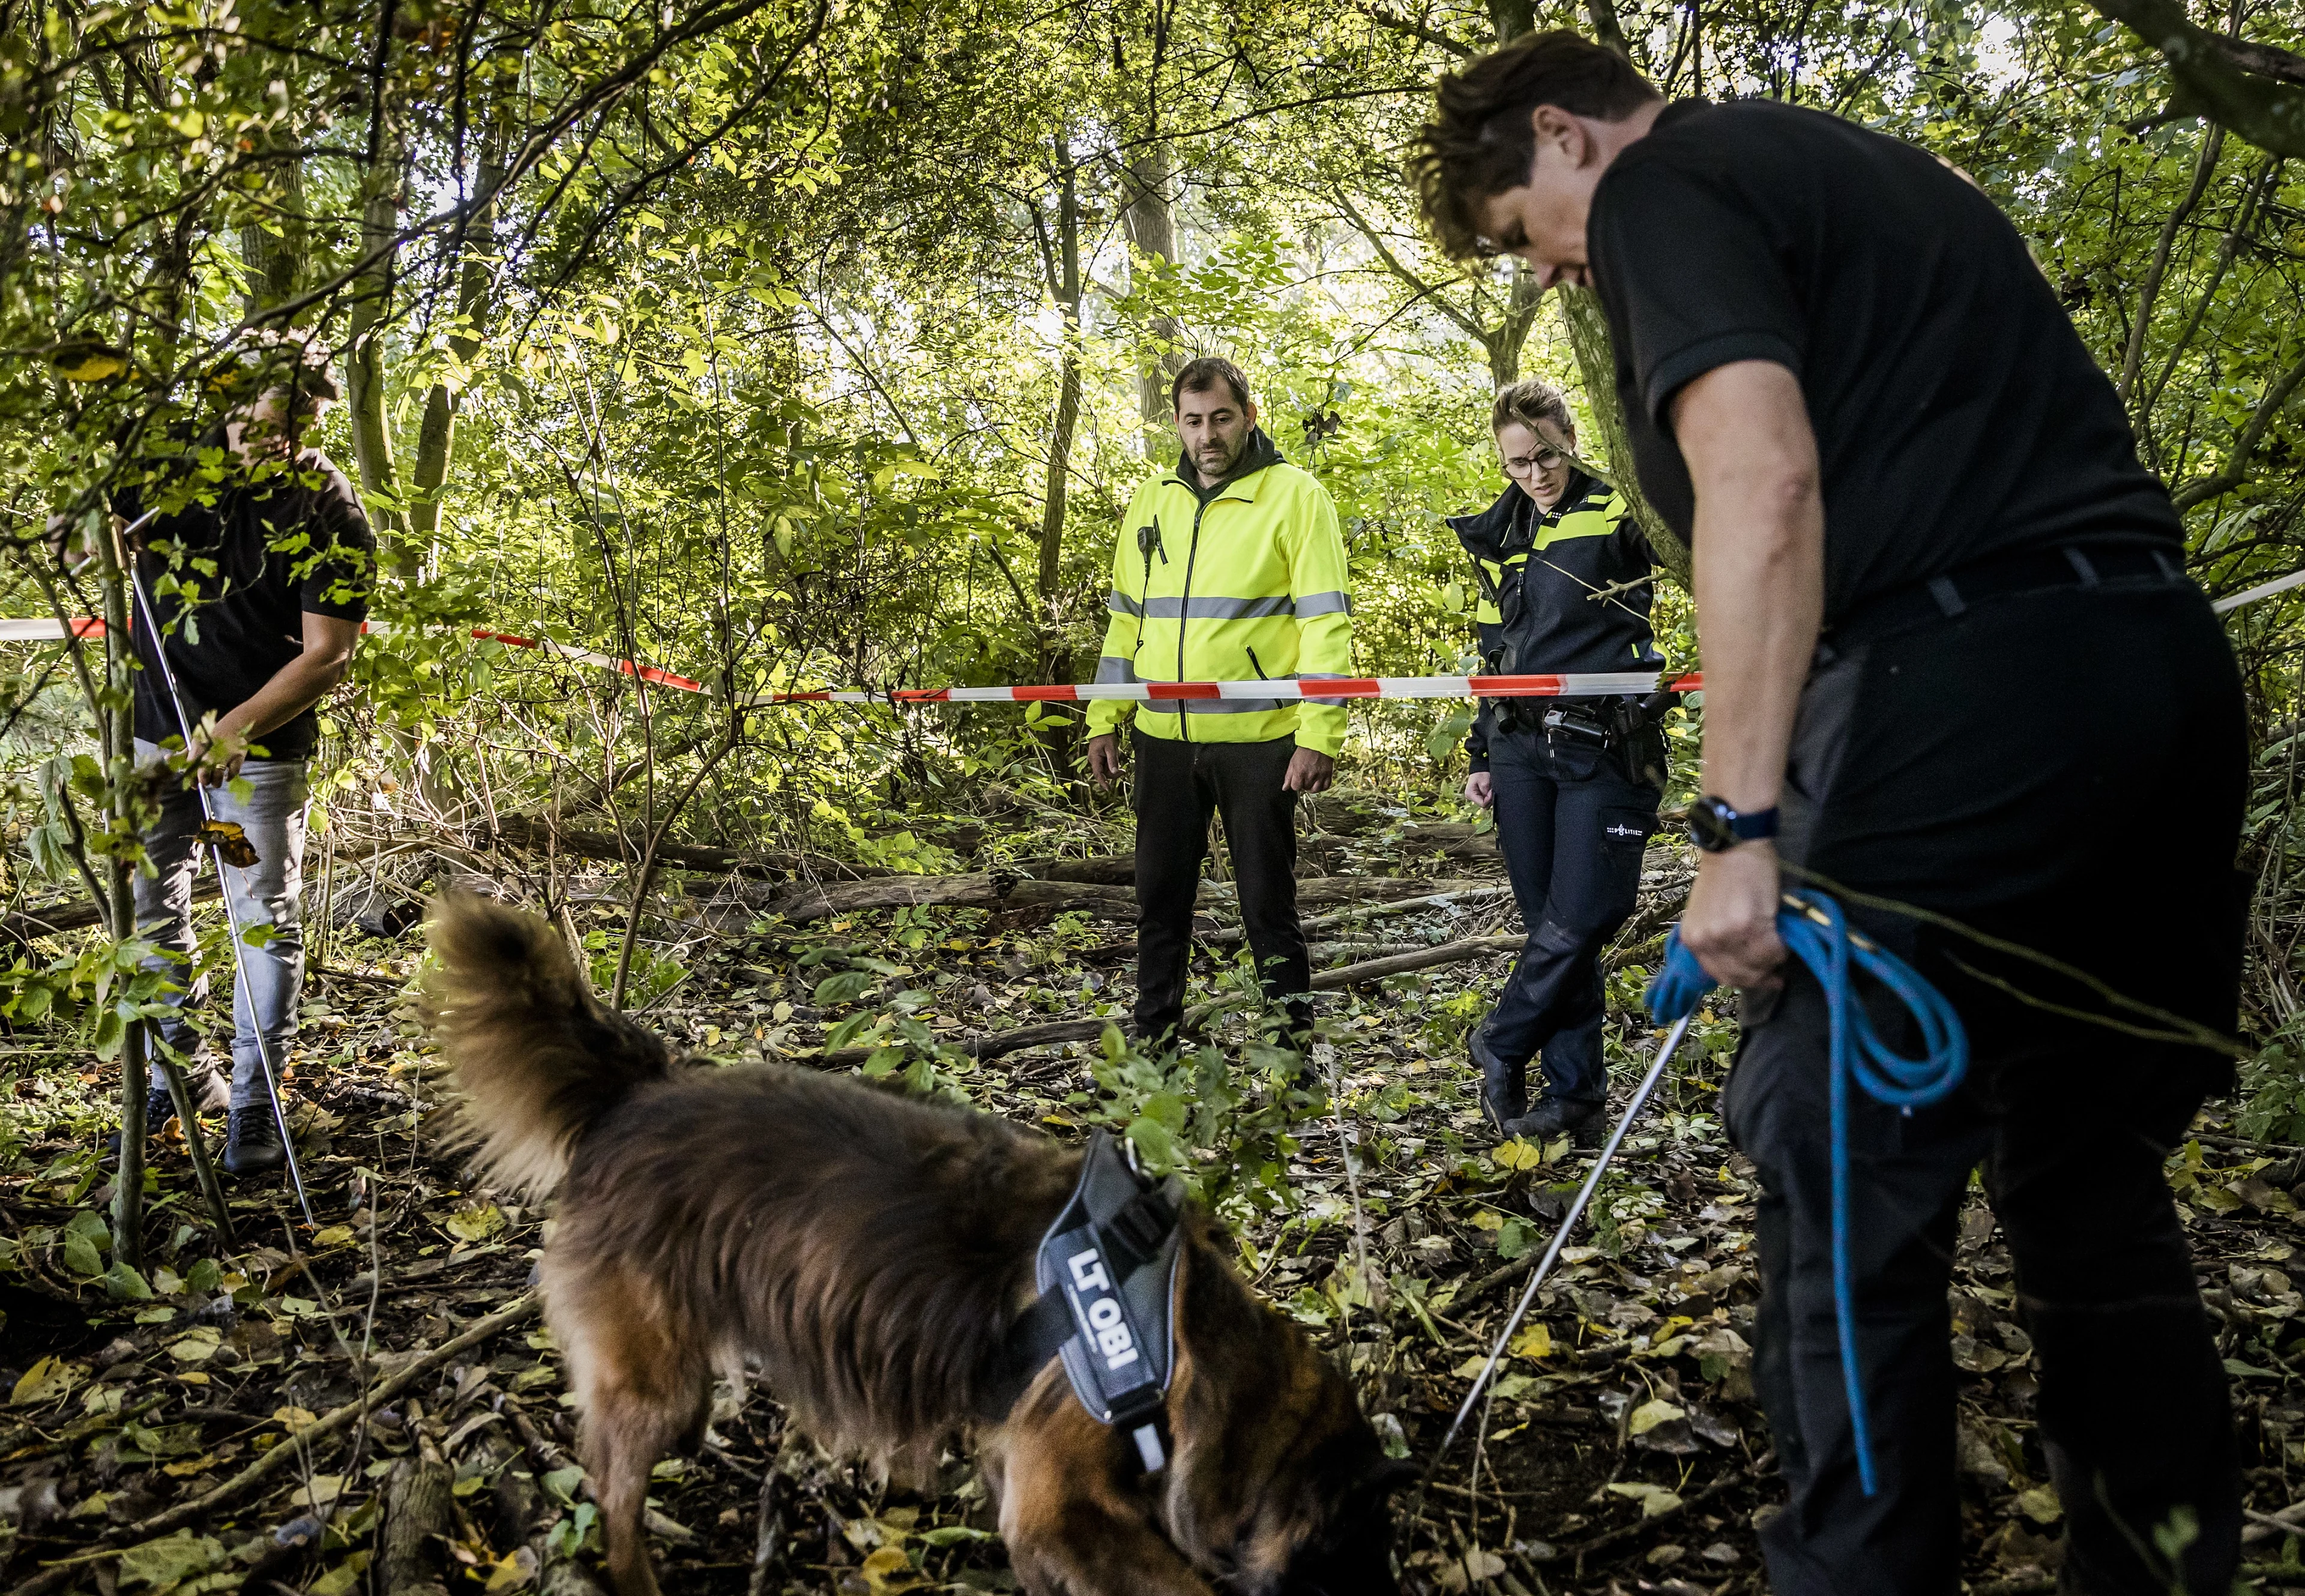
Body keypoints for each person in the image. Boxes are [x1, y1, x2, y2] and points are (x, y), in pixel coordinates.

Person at [1413, 32, 2243, 1596]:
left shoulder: (1664, 187)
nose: (1561, 279)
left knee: (1837, 1148)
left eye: (1531, 239)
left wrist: (1739, 828)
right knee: (2086, 1180)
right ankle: (2169, 1560)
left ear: (1562, 136)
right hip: (2158, 678)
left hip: (1966, 686)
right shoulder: (1858, 169)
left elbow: (1765, 486)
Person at [115, 337, 372, 1174]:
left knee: (258, 914)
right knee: (153, 898)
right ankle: (184, 1077)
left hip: (249, 763)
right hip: (157, 740)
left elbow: (328, 654)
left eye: (309, 416)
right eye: (281, 409)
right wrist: (100, 538)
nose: (293, 432)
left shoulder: (327, 507)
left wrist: (236, 731)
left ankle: (256, 1110)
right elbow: (85, 538)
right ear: (234, 400)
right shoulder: (167, 468)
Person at [1084, 357, 1353, 1048]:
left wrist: (1320, 732)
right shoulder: (1152, 501)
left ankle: (1291, 1057)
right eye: (1194, 421)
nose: (1208, 435)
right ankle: (1153, 1053)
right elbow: (1124, 619)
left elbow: (1325, 623)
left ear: (1250, 415)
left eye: (1222, 418)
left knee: (1268, 906)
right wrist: (1105, 717)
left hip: (1258, 740)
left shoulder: (1296, 496)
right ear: (1176, 423)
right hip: (1162, 740)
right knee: (1159, 905)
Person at [1453, 378, 1665, 1146]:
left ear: (1571, 438)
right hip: (1517, 750)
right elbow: (1492, 652)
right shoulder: (1499, 534)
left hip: (1603, 745)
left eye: (1545, 454)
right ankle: (1576, 1097)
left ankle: (1501, 1041)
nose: (1535, 473)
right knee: (1549, 925)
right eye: (1518, 462)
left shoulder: (1620, 510)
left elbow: (1692, 549)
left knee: (1586, 916)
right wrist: (1480, 749)